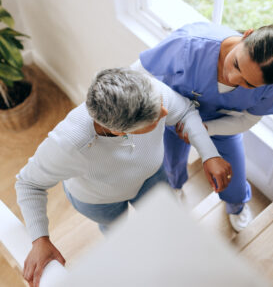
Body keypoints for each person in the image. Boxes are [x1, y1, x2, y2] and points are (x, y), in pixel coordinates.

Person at [15, 67, 232, 287]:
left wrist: (209, 153)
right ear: (121, 132)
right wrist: (39, 238)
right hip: (100, 202)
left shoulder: (148, 91)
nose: (165, 112)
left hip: (152, 177)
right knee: (119, 232)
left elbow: (184, 111)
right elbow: (28, 183)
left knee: (169, 219)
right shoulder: (69, 144)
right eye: (155, 119)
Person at [131, 22, 273, 232]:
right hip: (172, 119)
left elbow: (248, 120)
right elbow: (136, 73)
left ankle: (236, 204)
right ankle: (175, 185)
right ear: (247, 35)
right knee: (171, 162)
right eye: (237, 65)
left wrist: (207, 129)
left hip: (222, 124)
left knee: (234, 176)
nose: (232, 78)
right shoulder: (188, 45)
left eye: (248, 84)